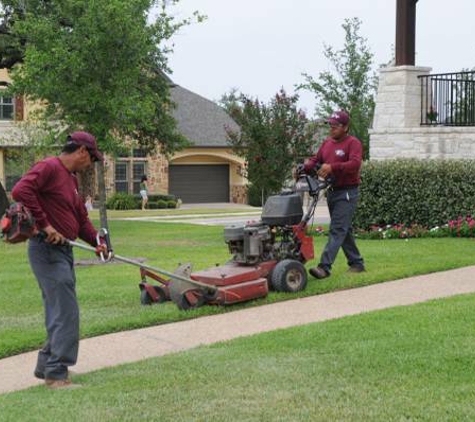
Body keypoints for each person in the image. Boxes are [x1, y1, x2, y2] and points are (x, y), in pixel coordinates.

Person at [11, 131, 107, 389]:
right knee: (66, 312)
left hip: (63, 251)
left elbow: (80, 219)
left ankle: (47, 366)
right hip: (46, 250)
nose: (91, 164)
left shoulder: (71, 179)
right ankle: (56, 375)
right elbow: (20, 190)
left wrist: (98, 243)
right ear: (82, 152)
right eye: (92, 158)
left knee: (60, 310)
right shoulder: (50, 167)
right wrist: (45, 225)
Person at [302, 110, 365, 279]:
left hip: (347, 192)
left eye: (335, 126)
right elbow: (316, 160)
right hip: (332, 191)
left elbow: (355, 164)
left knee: (337, 229)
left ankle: (324, 267)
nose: (331, 129)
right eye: (330, 125)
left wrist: (332, 167)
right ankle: (357, 263)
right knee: (344, 229)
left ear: (345, 127)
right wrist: (304, 167)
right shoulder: (327, 144)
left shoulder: (353, 143)